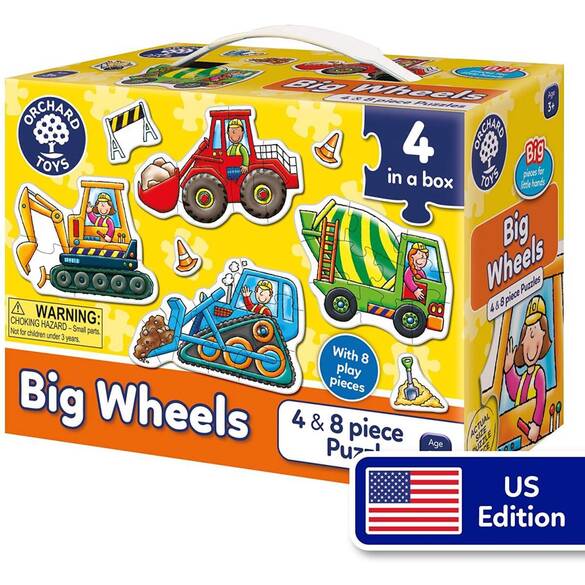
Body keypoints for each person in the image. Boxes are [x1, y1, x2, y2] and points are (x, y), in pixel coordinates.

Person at [504, 295, 553, 443]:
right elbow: (515, 393)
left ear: (543, 337)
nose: (529, 342)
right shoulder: (525, 376)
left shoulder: (539, 374)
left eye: (534, 334)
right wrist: (509, 369)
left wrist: (536, 425)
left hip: (531, 427)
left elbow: (541, 400)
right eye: (527, 335)